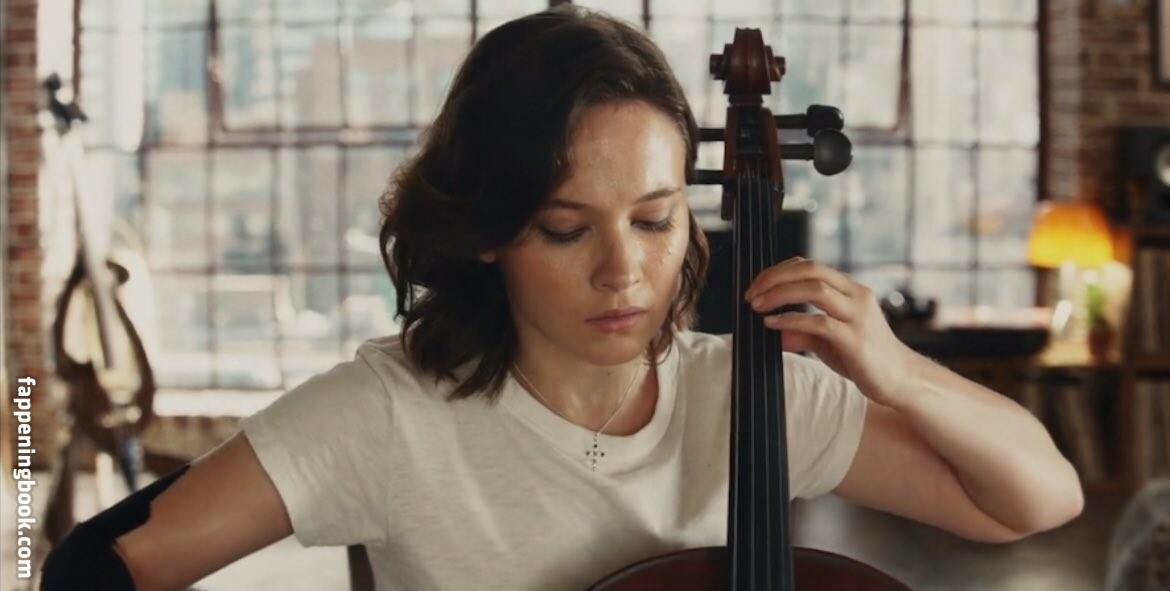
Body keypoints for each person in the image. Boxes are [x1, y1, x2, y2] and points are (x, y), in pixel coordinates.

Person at [40, 6, 1083, 591]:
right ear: (491, 231)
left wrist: (897, 371)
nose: (624, 272)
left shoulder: (749, 395)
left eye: (656, 218)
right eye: (564, 229)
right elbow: (100, 566)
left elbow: (1036, 501)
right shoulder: (390, 417)